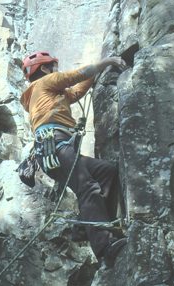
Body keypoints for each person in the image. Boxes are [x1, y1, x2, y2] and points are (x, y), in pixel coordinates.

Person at [20, 51, 128, 265]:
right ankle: (104, 247)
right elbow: (75, 76)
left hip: (57, 150)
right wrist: (104, 62)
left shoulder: (51, 93)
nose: (56, 70)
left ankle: (84, 226)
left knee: (106, 172)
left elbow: (76, 91)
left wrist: (94, 75)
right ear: (44, 69)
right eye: (53, 66)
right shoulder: (45, 83)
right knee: (87, 187)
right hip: (57, 146)